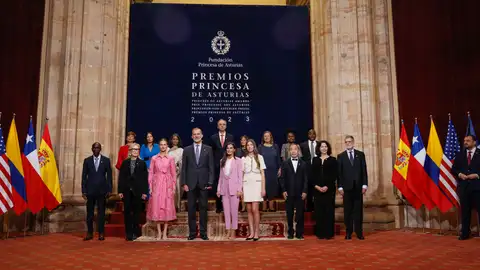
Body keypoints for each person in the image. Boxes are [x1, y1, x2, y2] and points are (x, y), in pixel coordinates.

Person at [181, 127, 214, 240]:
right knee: (191, 208)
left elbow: (211, 167)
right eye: (194, 134)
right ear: (191, 136)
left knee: (203, 208)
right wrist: (183, 183)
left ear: (202, 135)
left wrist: (210, 181)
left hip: (204, 183)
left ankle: (203, 233)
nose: (196, 136)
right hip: (190, 184)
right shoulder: (187, 150)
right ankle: (192, 233)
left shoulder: (208, 149)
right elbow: (184, 168)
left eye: (198, 134)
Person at [337, 135, 367, 240]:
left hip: (358, 188)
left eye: (350, 141)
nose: (348, 143)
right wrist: (340, 187)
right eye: (346, 142)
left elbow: (364, 171)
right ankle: (348, 232)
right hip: (346, 188)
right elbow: (339, 174)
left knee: (358, 211)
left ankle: (359, 232)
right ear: (345, 143)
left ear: (353, 142)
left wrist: (364, 185)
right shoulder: (341, 156)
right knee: (348, 211)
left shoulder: (360, 155)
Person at [81, 142, 112, 241]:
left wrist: (109, 189)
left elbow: (109, 177)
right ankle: (89, 232)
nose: (96, 149)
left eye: (98, 148)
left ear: (100, 149)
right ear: (92, 149)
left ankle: (101, 233)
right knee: (89, 213)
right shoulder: (87, 161)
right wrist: (83, 190)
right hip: (90, 191)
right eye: (94, 148)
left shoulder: (106, 161)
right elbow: (84, 177)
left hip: (102, 191)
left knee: (101, 213)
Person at [147, 138, 177, 240]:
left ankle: (165, 232)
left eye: (165, 145)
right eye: (161, 144)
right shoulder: (154, 158)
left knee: (166, 208)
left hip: (167, 185)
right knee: (157, 208)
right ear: (159, 146)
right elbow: (151, 173)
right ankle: (159, 232)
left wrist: (173, 187)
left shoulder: (170, 158)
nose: (163, 146)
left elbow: (173, 174)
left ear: (167, 146)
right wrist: (150, 187)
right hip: (157, 184)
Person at [452, 135, 480, 240]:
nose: (465, 142)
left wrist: (477, 175)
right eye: (464, 141)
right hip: (464, 188)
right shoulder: (460, 155)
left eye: (468, 141)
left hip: (477, 188)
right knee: (465, 212)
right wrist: (459, 174)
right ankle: (465, 233)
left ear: (474, 142)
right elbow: (453, 169)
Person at [118, 143, 148, 241]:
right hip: (127, 191)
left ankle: (136, 233)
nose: (135, 151)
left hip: (138, 191)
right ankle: (128, 233)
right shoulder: (125, 163)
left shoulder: (142, 163)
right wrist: (120, 191)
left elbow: (144, 179)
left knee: (136, 213)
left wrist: (144, 192)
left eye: (137, 149)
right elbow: (121, 177)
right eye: (134, 149)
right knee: (127, 212)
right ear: (130, 151)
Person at [279, 144, 308, 239]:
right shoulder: (285, 163)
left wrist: (305, 191)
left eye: (295, 149)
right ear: (289, 151)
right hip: (289, 192)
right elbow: (282, 178)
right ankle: (290, 233)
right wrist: (283, 190)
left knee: (300, 214)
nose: (293, 151)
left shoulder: (303, 164)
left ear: (298, 151)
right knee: (289, 214)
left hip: (300, 193)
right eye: (291, 149)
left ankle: (299, 233)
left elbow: (306, 179)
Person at [216, 142, 243, 240]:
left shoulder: (238, 161)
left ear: (234, 150)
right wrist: (218, 189)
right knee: (226, 212)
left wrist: (240, 189)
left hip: (234, 189)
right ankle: (228, 230)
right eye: (227, 148)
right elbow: (220, 177)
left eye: (231, 148)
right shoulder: (222, 161)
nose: (229, 150)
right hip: (224, 189)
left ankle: (233, 231)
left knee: (234, 211)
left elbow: (240, 176)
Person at [311, 140, 337, 239]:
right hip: (317, 190)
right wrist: (317, 186)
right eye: (322, 146)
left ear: (328, 148)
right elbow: (312, 175)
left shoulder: (333, 160)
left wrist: (327, 186)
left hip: (329, 190)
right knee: (319, 211)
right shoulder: (315, 160)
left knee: (329, 211)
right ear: (319, 148)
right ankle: (320, 233)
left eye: (326, 146)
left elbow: (334, 175)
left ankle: (329, 233)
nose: (324, 148)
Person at [242, 139, 266, 241]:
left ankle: (257, 232)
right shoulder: (243, 159)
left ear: (254, 146)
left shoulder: (259, 157)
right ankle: (251, 232)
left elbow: (263, 174)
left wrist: (263, 188)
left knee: (255, 209)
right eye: (248, 145)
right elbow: (241, 175)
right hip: (247, 184)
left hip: (257, 184)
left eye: (251, 145)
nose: (249, 147)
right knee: (249, 210)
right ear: (246, 147)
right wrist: (241, 189)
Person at [210, 119, 234, 213]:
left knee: (228, 184)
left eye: (224, 124)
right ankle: (219, 206)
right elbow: (211, 152)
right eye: (220, 124)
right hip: (217, 165)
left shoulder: (231, 137)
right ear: (217, 126)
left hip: (229, 164)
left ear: (226, 126)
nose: (222, 126)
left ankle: (228, 206)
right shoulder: (213, 137)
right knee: (218, 185)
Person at [258, 131, 281, 212]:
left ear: (271, 137)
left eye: (268, 136)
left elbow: (278, 158)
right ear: (263, 138)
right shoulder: (260, 147)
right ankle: (264, 206)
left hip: (273, 171)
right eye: (265, 136)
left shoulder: (275, 146)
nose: (267, 137)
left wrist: (279, 168)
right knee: (264, 186)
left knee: (272, 187)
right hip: (264, 171)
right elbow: (258, 160)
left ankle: (271, 206)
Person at [300, 129, 320, 212]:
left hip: (317, 169)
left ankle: (317, 206)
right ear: (308, 135)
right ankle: (308, 207)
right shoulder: (302, 145)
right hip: (307, 169)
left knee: (317, 187)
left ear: (315, 135)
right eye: (310, 134)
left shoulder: (319, 144)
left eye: (313, 134)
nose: (312, 135)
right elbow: (301, 158)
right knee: (307, 187)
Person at [168, 133, 184, 210]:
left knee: (178, 189)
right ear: (171, 140)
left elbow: (182, 162)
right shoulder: (168, 150)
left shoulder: (181, 150)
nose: (175, 140)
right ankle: (171, 207)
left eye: (176, 139)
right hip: (169, 174)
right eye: (173, 139)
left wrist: (177, 166)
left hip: (178, 173)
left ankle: (177, 206)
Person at [236, 135, 249, 212]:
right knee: (242, 190)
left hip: (248, 172)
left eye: (244, 140)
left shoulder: (250, 149)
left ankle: (248, 206)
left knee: (247, 190)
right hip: (240, 172)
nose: (243, 141)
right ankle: (243, 207)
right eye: (241, 140)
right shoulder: (237, 150)